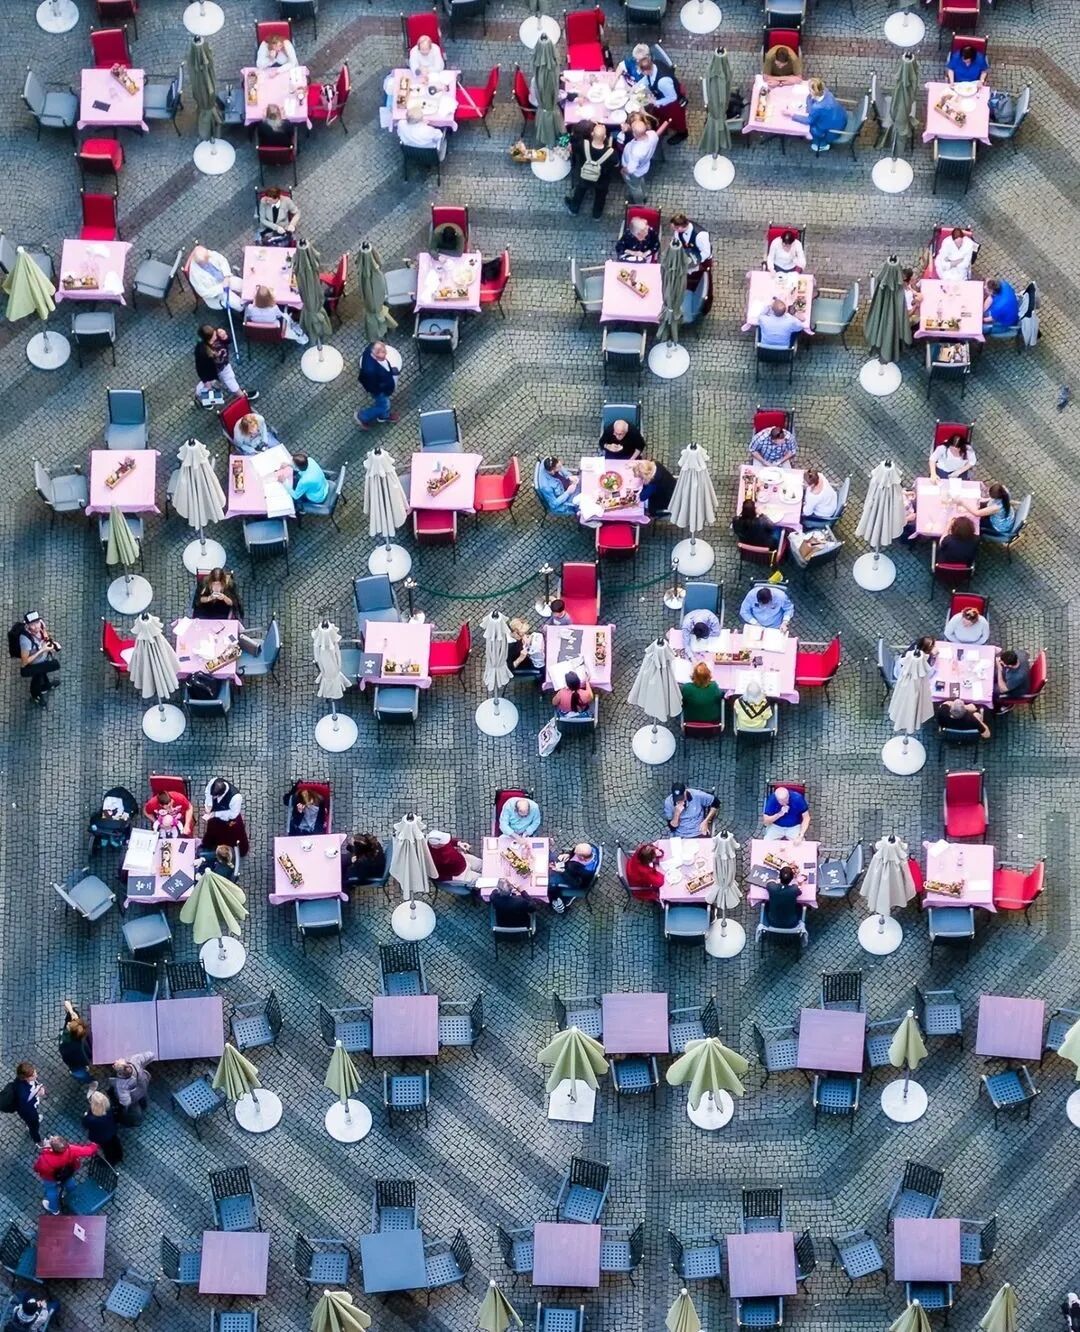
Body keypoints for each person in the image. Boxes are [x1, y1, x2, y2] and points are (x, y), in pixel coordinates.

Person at [619, 45, 686, 140]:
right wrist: (635, 87)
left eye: (642, 72)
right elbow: (646, 79)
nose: (641, 73)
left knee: (676, 120)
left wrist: (656, 102)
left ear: (646, 70)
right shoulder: (653, 66)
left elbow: (672, 97)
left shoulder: (663, 82)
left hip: (673, 102)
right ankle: (664, 128)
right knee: (662, 115)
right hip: (661, 96)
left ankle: (682, 133)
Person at [194, 324, 258, 409]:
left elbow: (228, 341)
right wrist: (206, 381)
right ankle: (204, 400)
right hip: (212, 373)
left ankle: (242, 396)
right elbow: (200, 368)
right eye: (214, 336)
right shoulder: (201, 351)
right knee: (205, 387)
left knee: (230, 380)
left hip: (224, 366)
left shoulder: (217, 336)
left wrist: (225, 337)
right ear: (208, 339)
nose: (216, 336)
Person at [564, 121, 620, 218]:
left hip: (585, 175)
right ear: (605, 137)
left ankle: (574, 209)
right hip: (601, 179)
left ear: (592, 134)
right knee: (600, 197)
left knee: (580, 191)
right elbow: (616, 164)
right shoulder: (611, 153)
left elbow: (570, 149)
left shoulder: (583, 144)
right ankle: (596, 214)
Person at [33, 1136, 99, 1214]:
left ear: (52, 1148)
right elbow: (88, 1151)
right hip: (67, 1173)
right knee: (69, 1182)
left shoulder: (45, 1159)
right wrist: (95, 1144)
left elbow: (38, 1168)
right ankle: (73, 1197)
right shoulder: (71, 1149)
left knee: (51, 1191)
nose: (50, 1138)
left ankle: (54, 1209)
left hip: (51, 1177)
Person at [787, 78, 847, 151]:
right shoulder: (827, 92)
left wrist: (792, 115)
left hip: (832, 130)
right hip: (840, 118)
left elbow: (809, 120)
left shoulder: (818, 107)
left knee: (812, 129)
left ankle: (822, 145)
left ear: (813, 92)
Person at [14, 611, 60, 706]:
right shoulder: (25, 640)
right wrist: (42, 650)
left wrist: (52, 643)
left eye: (37, 622)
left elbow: (45, 635)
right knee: (37, 678)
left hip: (43, 659)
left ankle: (45, 686)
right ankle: (36, 695)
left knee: (43, 673)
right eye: (32, 624)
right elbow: (24, 663)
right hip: (35, 664)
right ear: (27, 625)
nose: (36, 627)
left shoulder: (41, 624)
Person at [618, 112, 666, 203]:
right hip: (643, 167)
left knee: (635, 187)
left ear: (635, 134)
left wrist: (623, 170)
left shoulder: (637, 152)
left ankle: (639, 203)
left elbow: (631, 169)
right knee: (640, 181)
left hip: (635, 172)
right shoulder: (652, 134)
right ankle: (645, 193)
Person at [356, 339, 402, 428]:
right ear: (375, 355)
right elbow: (374, 386)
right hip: (379, 390)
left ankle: (383, 416)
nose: (385, 353)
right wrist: (386, 390)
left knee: (383, 403)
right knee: (384, 406)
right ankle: (363, 416)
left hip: (379, 385)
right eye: (382, 353)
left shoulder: (370, 351)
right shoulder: (371, 371)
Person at [187, 246, 245, 312]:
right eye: (206, 261)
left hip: (225, 279)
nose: (209, 259)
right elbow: (204, 293)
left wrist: (226, 276)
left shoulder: (208, 254)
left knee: (245, 287)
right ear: (199, 263)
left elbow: (222, 261)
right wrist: (221, 287)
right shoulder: (195, 275)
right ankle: (245, 312)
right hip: (217, 292)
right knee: (239, 304)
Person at [203, 778, 250, 855]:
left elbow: (233, 814)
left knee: (232, 836)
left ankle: (233, 852)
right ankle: (212, 845)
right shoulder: (213, 782)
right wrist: (208, 805)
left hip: (228, 820)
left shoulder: (236, 797)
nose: (213, 798)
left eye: (215, 796)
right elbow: (208, 793)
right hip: (214, 816)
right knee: (212, 831)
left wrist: (215, 814)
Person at [111, 1052, 154, 1127]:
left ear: (119, 1073)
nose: (118, 1059)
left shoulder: (121, 1084)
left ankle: (137, 1122)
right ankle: (144, 1105)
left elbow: (126, 1102)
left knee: (135, 1110)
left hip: (134, 1097)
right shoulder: (135, 1060)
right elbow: (151, 1055)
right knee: (144, 1098)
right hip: (143, 1085)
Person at [82, 1090, 123, 1167]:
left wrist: (86, 1115)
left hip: (101, 1137)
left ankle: (110, 1162)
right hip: (112, 1131)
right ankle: (119, 1156)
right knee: (115, 1143)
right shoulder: (108, 1109)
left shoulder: (91, 1119)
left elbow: (85, 1124)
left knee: (107, 1150)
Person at [58, 1003, 93, 1086]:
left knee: (78, 1072)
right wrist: (71, 1012)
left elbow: (67, 1057)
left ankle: (90, 1081)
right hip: (81, 1057)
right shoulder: (77, 1025)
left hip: (75, 1063)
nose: (68, 1024)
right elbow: (66, 1003)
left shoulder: (70, 1047)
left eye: (69, 1025)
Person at [12, 1062, 45, 1144]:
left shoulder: (22, 1079)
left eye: (35, 1072)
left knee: (31, 1121)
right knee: (34, 1127)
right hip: (28, 1112)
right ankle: (38, 1141)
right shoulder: (22, 1093)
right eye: (32, 1075)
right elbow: (26, 1105)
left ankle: (29, 1124)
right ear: (24, 1078)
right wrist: (38, 1094)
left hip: (30, 1106)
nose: (36, 1075)